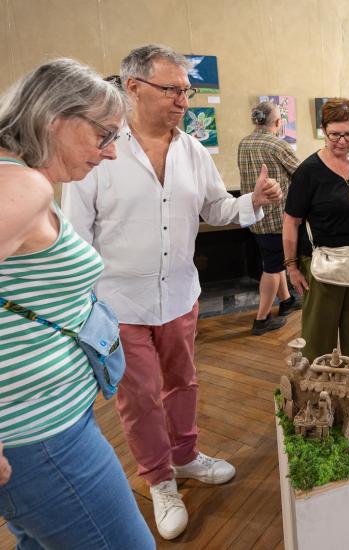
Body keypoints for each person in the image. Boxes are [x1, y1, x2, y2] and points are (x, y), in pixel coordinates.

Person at [61, 44, 282, 540]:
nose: (184, 99)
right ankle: (160, 480)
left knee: (183, 383)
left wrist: (252, 199)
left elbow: (216, 210)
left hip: (181, 295)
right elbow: (75, 236)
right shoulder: (99, 152)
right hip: (119, 303)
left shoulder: (191, 150)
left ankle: (185, 456)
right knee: (138, 398)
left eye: (187, 90)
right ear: (133, 87)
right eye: (173, 89)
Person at [0, 58, 154, 548]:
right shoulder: (25, 185)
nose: (110, 153)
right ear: (55, 119)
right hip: (40, 434)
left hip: (40, 424)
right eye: (105, 135)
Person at [282, 98, 349, 367]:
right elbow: (291, 221)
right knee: (318, 340)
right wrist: (291, 267)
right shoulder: (308, 171)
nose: (342, 141)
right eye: (335, 134)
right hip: (319, 263)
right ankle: (317, 399)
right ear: (323, 130)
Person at [239, 100, 302, 335]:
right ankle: (262, 319)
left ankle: (286, 301)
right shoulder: (277, 145)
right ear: (277, 122)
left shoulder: (243, 143)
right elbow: (302, 174)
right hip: (277, 218)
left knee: (273, 261)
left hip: (255, 216)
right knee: (273, 268)